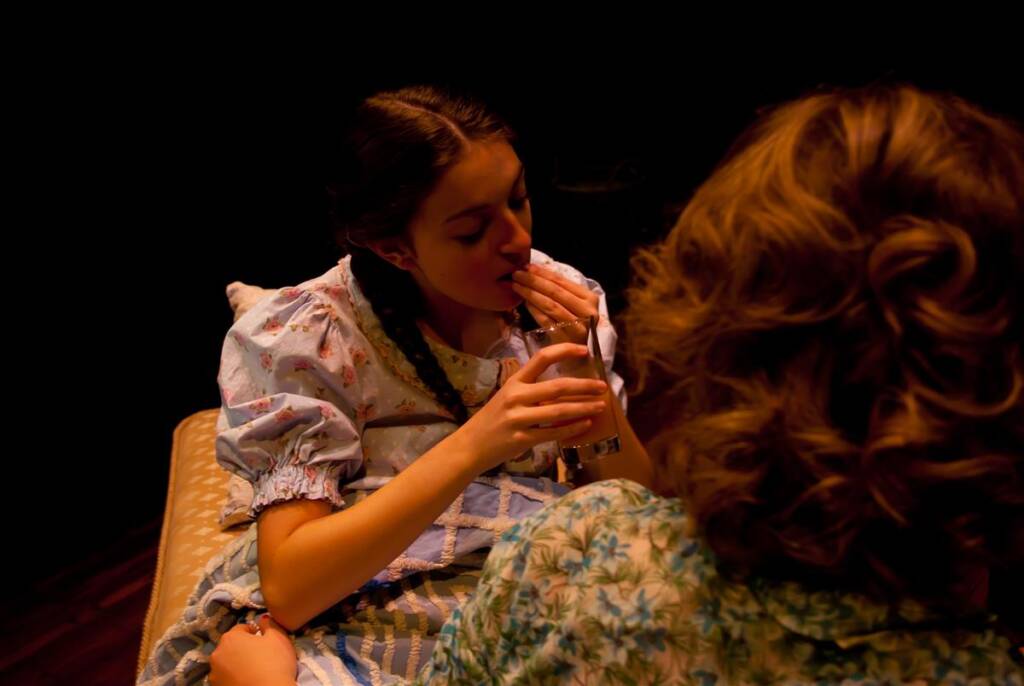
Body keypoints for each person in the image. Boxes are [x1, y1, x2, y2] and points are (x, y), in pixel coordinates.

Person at [138, 84, 652, 686]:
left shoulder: (557, 299)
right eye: (470, 231)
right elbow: (292, 590)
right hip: (365, 595)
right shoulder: (314, 340)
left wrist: (584, 376)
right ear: (394, 249)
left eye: (519, 199)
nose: (516, 240)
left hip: (527, 575)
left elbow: (638, 508)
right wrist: (479, 441)